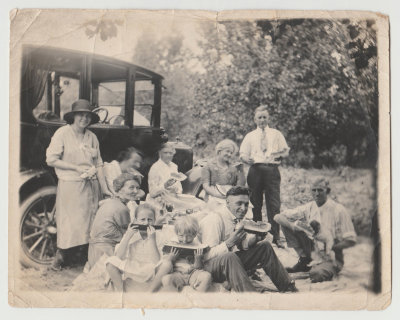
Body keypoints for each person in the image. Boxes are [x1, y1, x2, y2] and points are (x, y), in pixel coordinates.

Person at [46, 99, 111, 270]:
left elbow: (99, 163)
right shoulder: (62, 133)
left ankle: (83, 256)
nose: (84, 119)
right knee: (69, 221)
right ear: (74, 116)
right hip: (70, 185)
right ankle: (60, 256)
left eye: (88, 116)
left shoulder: (92, 137)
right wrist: (75, 167)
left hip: (91, 185)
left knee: (89, 221)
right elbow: (51, 159)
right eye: (81, 115)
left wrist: (105, 189)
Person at [198, 186, 297, 292]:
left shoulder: (238, 217)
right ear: (227, 202)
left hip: (229, 263)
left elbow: (242, 245)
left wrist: (255, 239)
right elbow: (206, 256)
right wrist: (229, 243)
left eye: (246, 204)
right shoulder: (215, 219)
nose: (243, 208)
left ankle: (287, 287)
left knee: (265, 246)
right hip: (208, 267)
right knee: (230, 256)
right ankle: (249, 296)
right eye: (239, 203)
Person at [274, 178, 356, 282]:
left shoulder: (339, 210)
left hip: (331, 256)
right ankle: (304, 261)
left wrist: (331, 247)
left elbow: (351, 240)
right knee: (287, 223)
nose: (316, 194)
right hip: (313, 251)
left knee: (316, 274)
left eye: (320, 190)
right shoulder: (309, 207)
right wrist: (294, 227)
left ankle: (325, 267)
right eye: (314, 190)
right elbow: (277, 217)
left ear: (328, 191)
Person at [240, 105, 290, 248]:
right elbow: (243, 153)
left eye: (264, 117)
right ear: (255, 119)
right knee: (255, 203)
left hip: (271, 169)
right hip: (255, 169)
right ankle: (258, 235)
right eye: (259, 117)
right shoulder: (250, 136)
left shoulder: (276, 134)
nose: (262, 120)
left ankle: (276, 236)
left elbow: (285, 151)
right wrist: (245, 159)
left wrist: (278, 154)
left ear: (268, 118)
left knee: (274, 204)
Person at [106, 204, 172, 292]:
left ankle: (150, 291)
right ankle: (121, 291)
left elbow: (157, 261)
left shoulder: (159, 235)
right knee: (110, 262)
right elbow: (118, 257)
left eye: (150, 220)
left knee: (167, 264)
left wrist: (152, 239)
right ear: (135, 220)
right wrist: (128, 236)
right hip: (132, 267)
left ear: (155, 221)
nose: (146, 223)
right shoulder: (131, 234)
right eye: (142, 220)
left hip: (150, 269)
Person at [87, 173, 144, 269]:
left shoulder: (109, 201)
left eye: (137, 188)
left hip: (93, 252)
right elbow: (128, 236)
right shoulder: (122, 209)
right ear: (120, 189)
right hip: (104, 255)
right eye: (131, 188)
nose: (135, 191)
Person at [147, 142, 204, 212]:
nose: (168, 155)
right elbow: (152, 193)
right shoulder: (155, 168)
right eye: (165, 153)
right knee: (194, 207)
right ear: (160, 153)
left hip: (174, 196)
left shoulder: (174, 166)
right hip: (161, 199)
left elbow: (178, 185)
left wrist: (177, 190)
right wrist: (165, 186)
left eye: (170, 153)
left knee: (201, 203)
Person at [161, 216, 212, 292]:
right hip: (178, 274)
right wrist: (171, 258)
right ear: (176, 233)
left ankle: (199, 299)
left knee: (207, 276)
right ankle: (173, 299)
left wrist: (198, 259)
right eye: (181, 236)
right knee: (166, 279)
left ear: (194, 235)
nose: (184, 240)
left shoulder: (197, 245)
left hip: (193, 273)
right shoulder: (172, 243)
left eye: (189, 236)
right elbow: (165, 265)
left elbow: (199, 267)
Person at [201, 139, 245, 206]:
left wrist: (241, 172)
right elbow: (206, 186)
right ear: (219, 151)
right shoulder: (208, 166)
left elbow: (240, 186)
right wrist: (217, 195)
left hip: (230, 197)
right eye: (227, 151)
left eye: (231, 153)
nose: (229, 154)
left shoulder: (233, 167)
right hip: (213, 196)